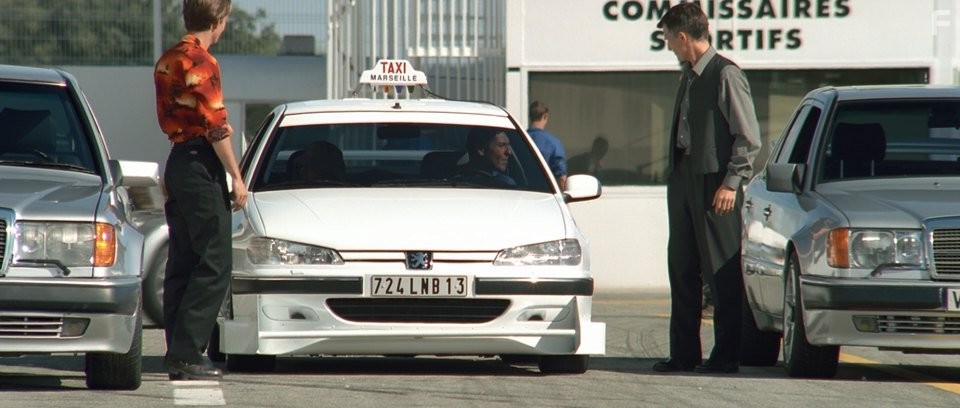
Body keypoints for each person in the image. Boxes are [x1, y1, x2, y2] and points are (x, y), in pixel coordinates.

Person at [652, 2, 761, 375]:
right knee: (681, 267)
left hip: (716, 183)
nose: (668, 45)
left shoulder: (725, 74)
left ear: (683, 37)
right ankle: (684, 354)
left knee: (721, 273)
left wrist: (732, 183)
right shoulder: (689, 76)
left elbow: (748, 138)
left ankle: (726, 356)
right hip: (683, 178)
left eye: (669, 38)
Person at [154, 0, 247, 381]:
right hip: (199, 164)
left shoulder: (167, 59)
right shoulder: (203, 63)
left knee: (184, 260)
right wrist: (236, 176)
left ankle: (178, 348)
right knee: (214, 261)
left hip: (177, 160)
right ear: (219, 21)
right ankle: (189, 352)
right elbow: (215, 125)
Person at [527, 101, 568, 189]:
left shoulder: (518, 139)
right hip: (544, 195)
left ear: (529, 116)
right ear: (545, 116)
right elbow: (561, 177)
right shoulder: (553, 143)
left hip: (519, 193)